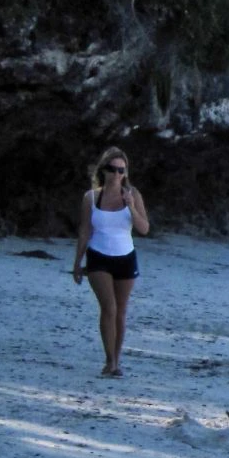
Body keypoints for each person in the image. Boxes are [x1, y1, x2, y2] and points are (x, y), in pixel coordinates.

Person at [72, 146, 149, 376]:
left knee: (121, 311)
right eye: (112, 169)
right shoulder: (91, 197)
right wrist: (77, 263)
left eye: (121, 170)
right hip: (98, 257)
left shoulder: (132, 195)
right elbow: (85, 231)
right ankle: (109, 362)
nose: (116, 174)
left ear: (126, 172)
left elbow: (144, 229)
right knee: (109, 307)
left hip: (126, 258)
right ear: (103, 170)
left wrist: (131, 207)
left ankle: (117, 358)